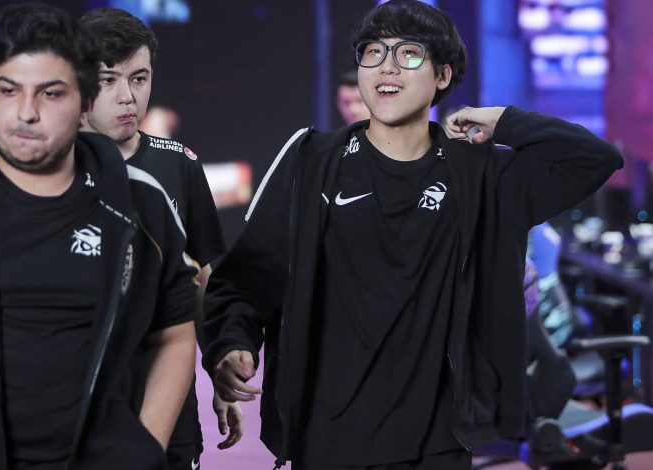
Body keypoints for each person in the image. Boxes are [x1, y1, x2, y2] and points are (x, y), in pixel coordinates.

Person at [201, 1, 623, 469]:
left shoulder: (479, 175)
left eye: (409, 53)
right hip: (328, 432)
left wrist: (503, 120)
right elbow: (246, 280)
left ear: (442, 76)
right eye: (373, 51)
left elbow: (595, 159)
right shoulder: (312, 162)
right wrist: (231, 343)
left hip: (438, 438)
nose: (387, 66)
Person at [0, 4, 197, 469]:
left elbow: (173, 335)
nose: (25, 112)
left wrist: (143, 449)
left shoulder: (141, 204)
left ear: (84, 103)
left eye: (50, 93)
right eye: (8, 90)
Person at [79, 8, 241, 470]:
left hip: (169, 404)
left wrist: (218, 364)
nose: (127, 97)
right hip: (74, 406)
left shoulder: (178, 164)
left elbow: (205, 277)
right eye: (108, 80)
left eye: (139, 78)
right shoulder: (47, 170)